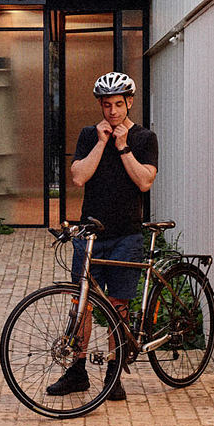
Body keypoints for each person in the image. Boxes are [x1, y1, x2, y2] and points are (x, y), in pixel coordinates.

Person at [47, 71, 158, 401]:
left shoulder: (144, 138)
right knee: (81, 304)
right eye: (107, 105)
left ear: (130, 103)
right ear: (100, 104)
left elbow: (144, 182)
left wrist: (123, 147)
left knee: (118, 306)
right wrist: (101, 142)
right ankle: (77, 371)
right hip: (90, 233)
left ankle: (113, 373)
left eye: (118, 105)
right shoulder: (88, 135)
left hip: (126, 234)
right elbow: (79, 177)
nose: (112, 112)